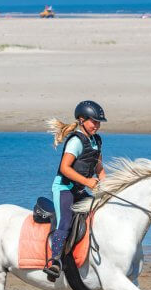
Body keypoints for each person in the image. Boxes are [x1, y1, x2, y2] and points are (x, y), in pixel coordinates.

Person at [44, 100, 107, 280]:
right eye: (93, 121)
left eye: (98, 122)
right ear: (81, 120)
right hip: (64, 188)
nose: (97, 125)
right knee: (65, 220)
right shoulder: (76, 142)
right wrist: (88, 182)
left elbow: (99, 168)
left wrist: (107, 188)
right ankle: (54, 261)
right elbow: (65, 168)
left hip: (79, 190)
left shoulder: (96, 141)